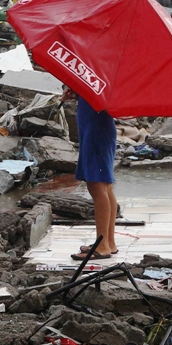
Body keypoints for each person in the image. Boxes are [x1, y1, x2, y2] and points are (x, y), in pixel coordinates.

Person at [65, 89, 118, 260]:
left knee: (96, 185)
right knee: (105, 185)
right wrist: (78, 92)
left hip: (96, 128)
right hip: (95, 126)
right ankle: (108, 241)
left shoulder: (101, 68)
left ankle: (102, 246)